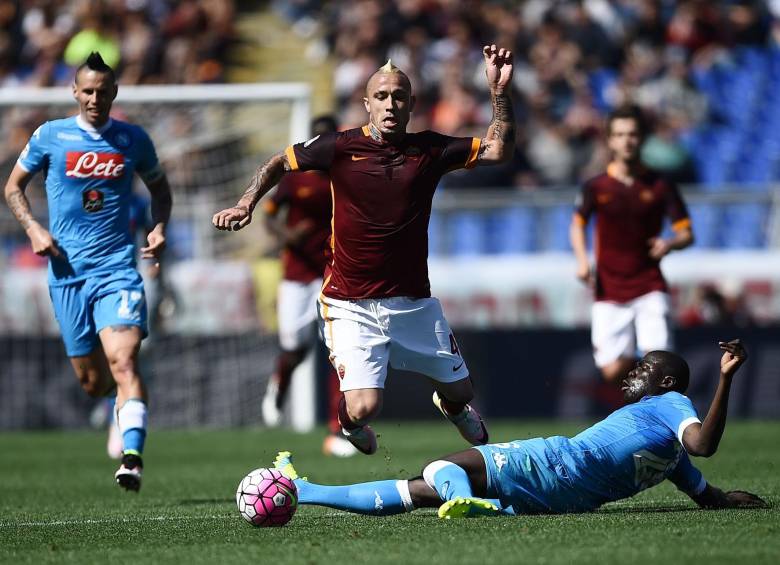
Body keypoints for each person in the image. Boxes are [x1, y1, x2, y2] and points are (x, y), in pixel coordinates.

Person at [214, 45, 516, 455]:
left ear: (411, 105)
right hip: (349, 302)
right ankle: (347, 426)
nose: (390, 104)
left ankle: (452, 407)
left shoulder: (431, 150)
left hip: (413, 303)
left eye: (398, 97)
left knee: (462, 390)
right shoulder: (339, 147)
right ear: (367, 104)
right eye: (381, 96)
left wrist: (498, 93)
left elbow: (499, 150)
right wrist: (246, 203)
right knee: (364, 407)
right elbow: (278, 164)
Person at [271, 340, 767, 518]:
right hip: (563, 499)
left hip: (555, 462)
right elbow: (706, 489)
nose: (634, 375)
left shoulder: (670, 402)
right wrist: (730, 501)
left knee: (440, 467)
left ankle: (470, 503)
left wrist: (722, 380)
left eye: (644, 369)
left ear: (666, 382)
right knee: (416, 491)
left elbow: (702, 443)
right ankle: (308, 490)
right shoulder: (670, 459)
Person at [3, 52, 172, 492]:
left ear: (114, 93)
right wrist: (34, 228)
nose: (95, 98)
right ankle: (119, 402)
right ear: (75, 93)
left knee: (124, 360)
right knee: (93, 381)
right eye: (88, 91)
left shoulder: (133, 140)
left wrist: (158, 227)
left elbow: (160, 189)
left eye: (103, 91)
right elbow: (12, 187)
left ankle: (132, 457)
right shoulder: (50, 136)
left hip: (118, 268)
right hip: (67, 274)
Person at [570, 105, 694, 386]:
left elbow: (687, 234)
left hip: (649, 284)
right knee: (611, 372)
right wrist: (581, 261)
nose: (627, 140)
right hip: (609, 287)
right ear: (610, 140)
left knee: (660, 365)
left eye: (633, 134)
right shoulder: (596, 187)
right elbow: (577, 223)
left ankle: (665, 425)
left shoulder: (661, 185)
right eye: (620, 134)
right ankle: (640, 367)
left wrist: (670, 243)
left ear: (642, 138)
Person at [260, 114, 357, 457]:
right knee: (294, 349)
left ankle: (338, 430)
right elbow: (270, 217)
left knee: (339, 353)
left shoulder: (346, 178)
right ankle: (280, 382)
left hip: (334, 273)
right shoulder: (294, 179)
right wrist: (289, 236)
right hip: (297, 275)